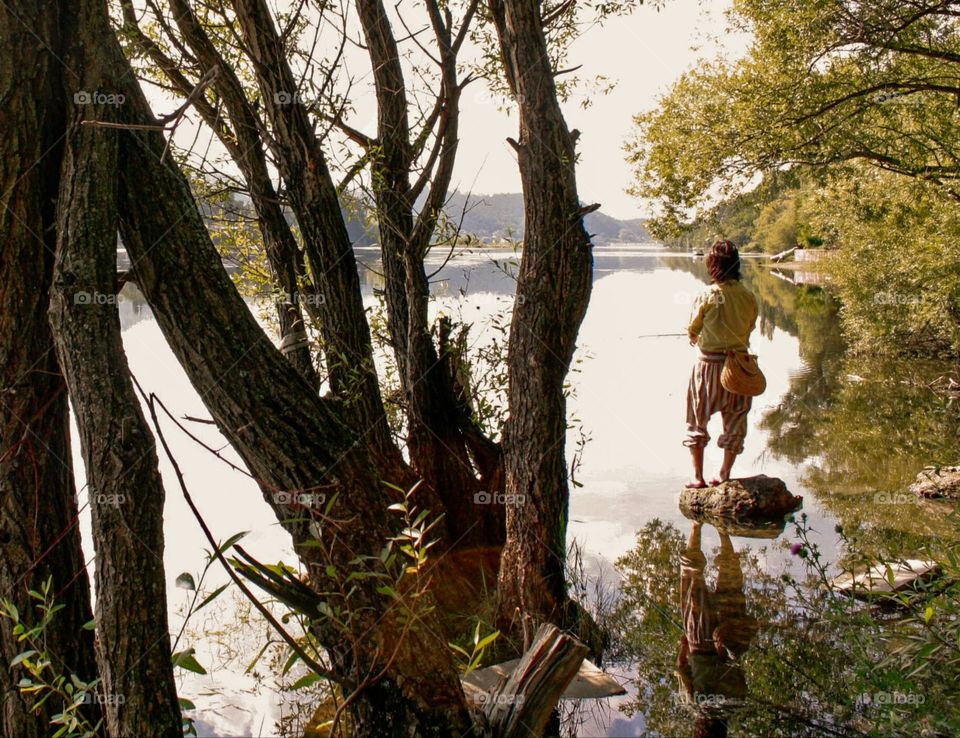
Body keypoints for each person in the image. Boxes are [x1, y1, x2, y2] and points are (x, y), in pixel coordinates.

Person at [684, 240, 759, 488]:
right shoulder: (748, 296)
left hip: (708, 367)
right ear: (736, 264)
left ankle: (697, 478)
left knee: (697, 420)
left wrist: (693, 336)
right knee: (736, 420)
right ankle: (724, 473)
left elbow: (693, 329)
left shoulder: (707, 294)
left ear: (712, 266)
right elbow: (750, 327)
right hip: (739, 367)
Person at [676, 522, 759, 738]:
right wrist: (684, 645)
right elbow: (682, 667)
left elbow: (737, 669)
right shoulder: (694, 704)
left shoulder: (737, 701)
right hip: (700, 641)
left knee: (729, 578)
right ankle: (696, 525)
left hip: (726, 636)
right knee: (691, 578)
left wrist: (725, 651)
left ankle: (722, 530)